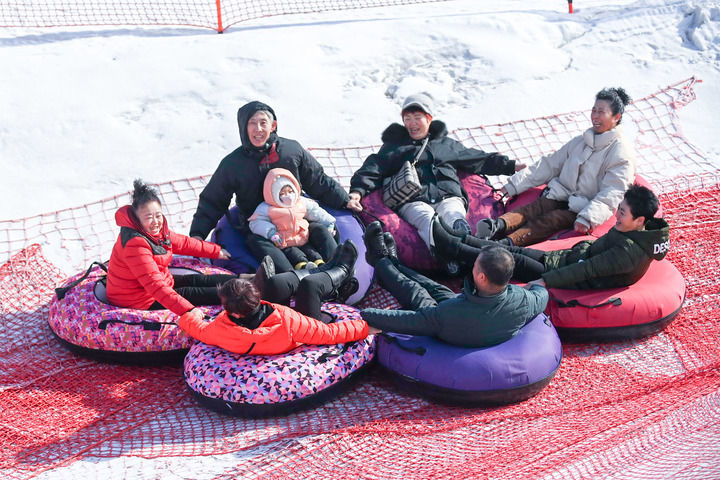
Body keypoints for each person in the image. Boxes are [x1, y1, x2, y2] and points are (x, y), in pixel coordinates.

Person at [349, 92, 524, 273]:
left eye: (417, 117)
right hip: (413, 200)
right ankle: (448, 257)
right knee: (427, 219)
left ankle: (459, 249)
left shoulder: (446, 145)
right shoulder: (395, 146)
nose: (412, 123)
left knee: (453, 216)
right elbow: (373, 168)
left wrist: (512, 166)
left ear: (429, 119)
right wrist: (357, 191)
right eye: (407, 119)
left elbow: (477, 159)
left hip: (448, 196)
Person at [189, 101, 363, 273]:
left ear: (273, 125)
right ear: (243, 127)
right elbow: (213, 200)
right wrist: (197, 234)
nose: (258, 128)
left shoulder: (291, 150)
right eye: (252, 123)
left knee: (320, 229)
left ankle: (341, 270)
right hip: (261, 224)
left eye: (263, 123)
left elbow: (317, 180)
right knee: (257, 243)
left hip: (296, 216)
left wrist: (344, 200)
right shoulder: (233, 164)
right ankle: (292, 279)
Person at [474, 87, 637, 247]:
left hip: (583, 206)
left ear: (616, 117)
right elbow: (550, 164)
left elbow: (613, 192)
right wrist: (513, 185)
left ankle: (504, 244)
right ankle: (494, 226)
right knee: (535, 207)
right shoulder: (581, 141)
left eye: (601, 112)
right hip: (561, 193)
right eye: (593, 110)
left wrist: (588, 217)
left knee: (550, 220)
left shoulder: (621, 153)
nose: (595, 116)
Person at [432, 185, 669, 290]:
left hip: (570, 276)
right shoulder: (633, 230)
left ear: (640, 220)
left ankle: (452, 247)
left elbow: (586, 270)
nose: (617, 215)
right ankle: (458, 238)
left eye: (623, 213)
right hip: (567, 259)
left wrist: (546, 281)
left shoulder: (628, 252)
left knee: (509, 258)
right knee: (516, 251)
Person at [359, 222, 548, 348]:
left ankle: (380, 261)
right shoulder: (523, 300)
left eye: (475, 265)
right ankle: (395, 262)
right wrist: (538, 286)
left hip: (455, 330)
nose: (472, 267)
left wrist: (366, 315)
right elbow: (542, 296)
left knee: (416, 292)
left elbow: (407, 320)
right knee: (439, 289)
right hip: (473, 310)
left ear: (481, 277)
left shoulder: (448, 313)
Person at [106, 179, 236, 318]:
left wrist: (216, 251)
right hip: (138, 298)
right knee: (200, 293)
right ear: (136, 218)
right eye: (149, 217)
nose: (156, 222)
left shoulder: (155, 231)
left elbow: (183, 243)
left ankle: (245, 280)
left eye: (158, 215)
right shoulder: (135, 244)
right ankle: (240, 292)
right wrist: (187, 310)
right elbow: (154, 285)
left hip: (158, 283)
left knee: (196, 280)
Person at [177, 278, 369, 355]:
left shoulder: (221, 329)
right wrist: (367, 327)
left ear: (233, 312)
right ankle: (341, 270)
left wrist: (189, 316)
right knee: (310, 285)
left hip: (267, 344)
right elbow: (328, 333)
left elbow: (198, 329)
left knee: (282, 284)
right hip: (296, 333)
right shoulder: (287, 319)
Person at [249, 168, 338, 270]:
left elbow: (315, 211)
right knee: (295, 255)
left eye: (290, 191)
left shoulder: (300, 202)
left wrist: (329, 223)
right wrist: (271, 233)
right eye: (282, 193)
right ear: (273, 194)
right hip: (285, 242)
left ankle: (322, 264)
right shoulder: (267, 207)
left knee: (312, 252)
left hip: (303, 238)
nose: (288, 196)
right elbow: (256, 221)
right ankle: (303, 267)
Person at [258, 239, 361, 322]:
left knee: (277, 283)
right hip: (291, 341)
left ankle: (323, 270)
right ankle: (341, 274)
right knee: (310, 284)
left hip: (259, 329)